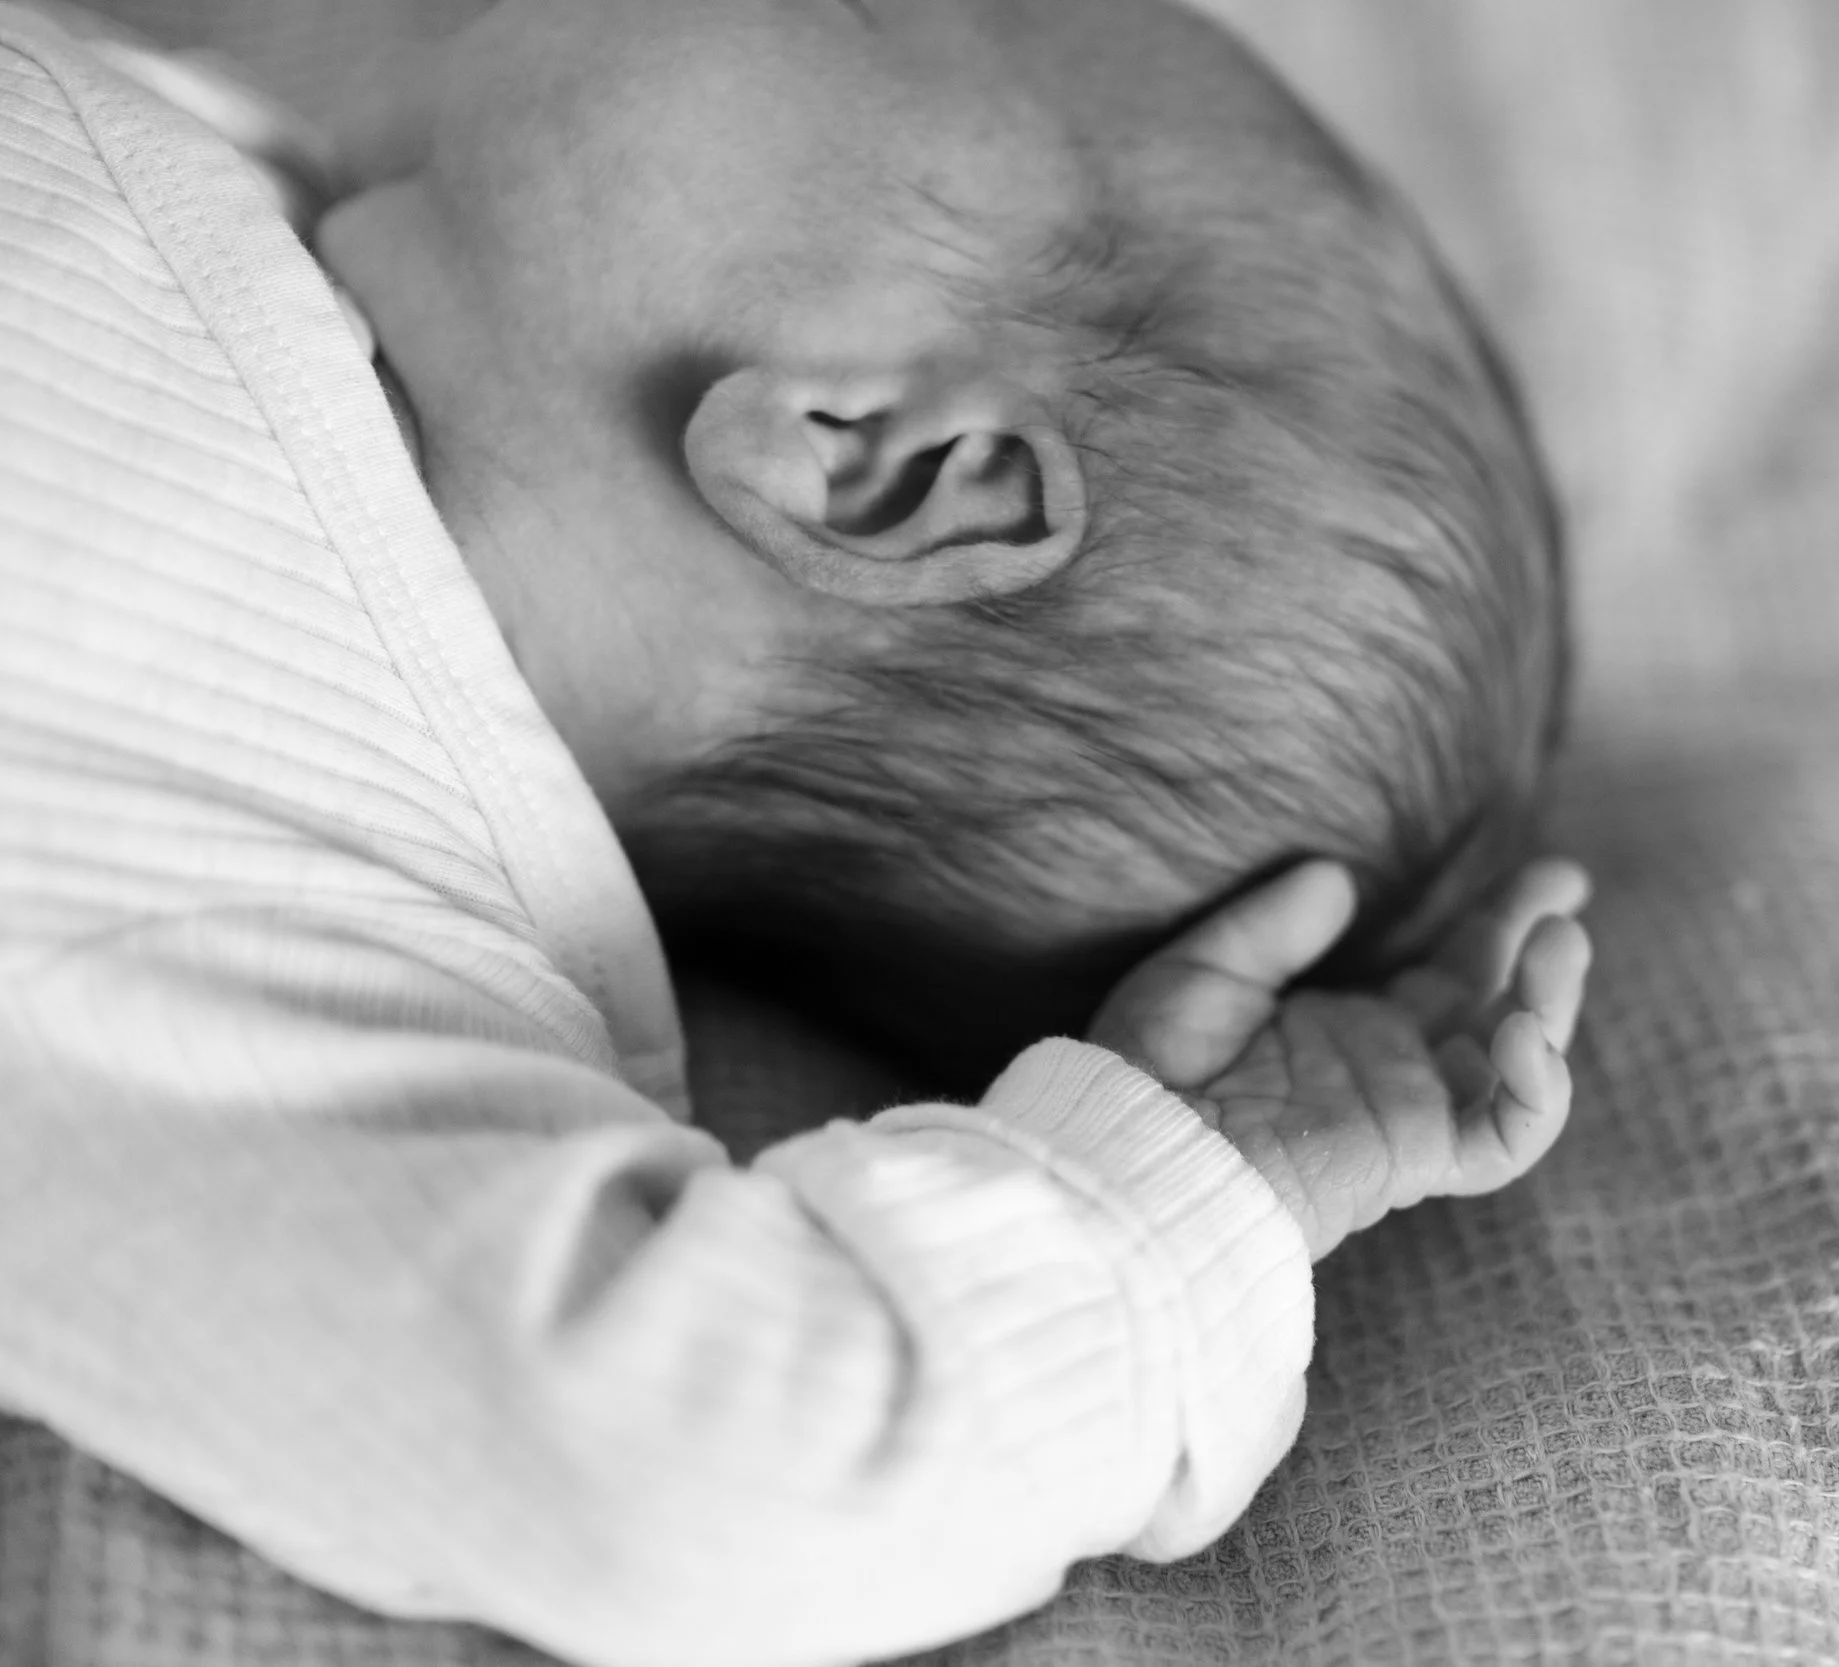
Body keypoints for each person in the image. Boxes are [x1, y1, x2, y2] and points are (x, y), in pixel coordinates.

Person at [0, 3, 1591, 1664]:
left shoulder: (306, 925)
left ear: (878, 462)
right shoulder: (246, 174)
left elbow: (700, 1478)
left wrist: (1149, 1217)